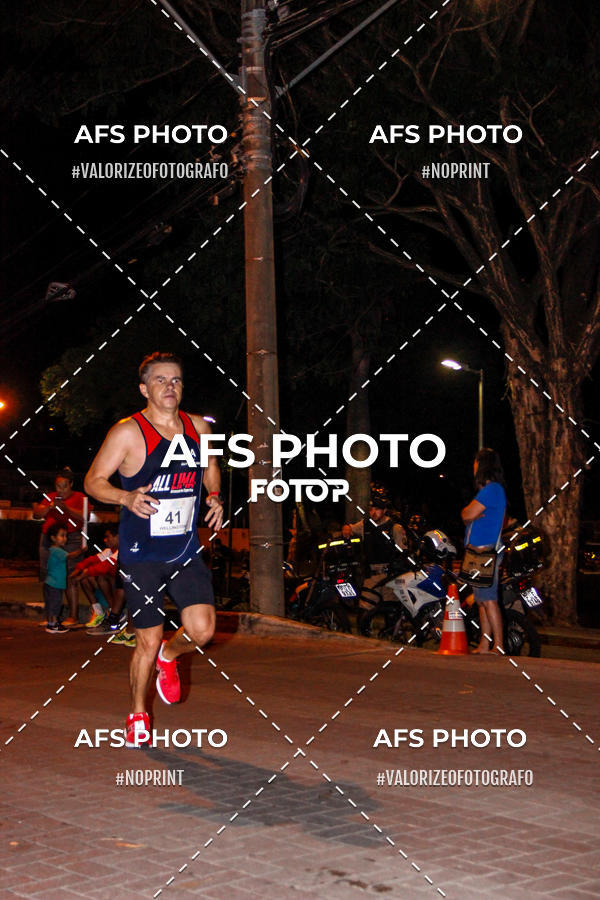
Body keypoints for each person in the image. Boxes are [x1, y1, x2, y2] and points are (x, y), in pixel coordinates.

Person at [84, 352, 223, 748]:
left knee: (202, 629)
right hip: (140, 552)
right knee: (147, 637)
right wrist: (125, 498)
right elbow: (94, 481)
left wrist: (213, 495)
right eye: (160, 380)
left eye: (176, 380)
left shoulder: (198, 428)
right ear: (145, 388)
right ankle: (138, 713)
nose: (170, 387)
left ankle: (170, 656)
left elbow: (210, 466)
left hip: (183, 548)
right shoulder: (128, 432)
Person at [461, 447, 507, 654]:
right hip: (478, 554)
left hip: (485, 553)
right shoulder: (490, 491)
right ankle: (485, 644)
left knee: (489, 600)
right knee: (481, 602)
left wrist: (470, 512)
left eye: (475, 462)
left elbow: (466, 514)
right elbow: (468, 514)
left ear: (482, 465)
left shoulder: (492, 490)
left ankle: (498, 644)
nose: (473, 466)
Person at [33, 467, 88, 626]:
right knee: (48, 577)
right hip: (49, 540)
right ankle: (51, 616)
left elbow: (85, 516)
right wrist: (50, 507)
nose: (61, 490)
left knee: (70, 576)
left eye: (64, 486)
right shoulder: (51, 497)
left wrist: (66, 508)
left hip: (70, 539)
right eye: (58, 486)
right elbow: (36, 514)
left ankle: (73, 616)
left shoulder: (79, 497)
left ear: (71, 484)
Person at [342, 484, 407, 607]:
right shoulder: (365, 525)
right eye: (371, 509)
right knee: (365, 608)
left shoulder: (395, 528)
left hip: (390, 576)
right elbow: (349, 528)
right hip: (372, 575)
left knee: (391, 610)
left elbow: (403, 552)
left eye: (377, 509)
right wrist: (346, 528)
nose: (373, 512)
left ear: (384, 510)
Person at [70, 527, 119, 627]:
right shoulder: (109, 551)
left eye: (107, 537)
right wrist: (77, 571)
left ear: (117, 537)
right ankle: (98, 612)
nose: (105, 540)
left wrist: (79, 577)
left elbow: (104, 567)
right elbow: (92, 560)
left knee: (100, 577)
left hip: (123, 585)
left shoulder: (121, 551)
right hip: (115, 583)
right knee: (86, 578)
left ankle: (114, 611)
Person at [43, 523, 83, 633]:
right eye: (62, 535)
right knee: (55, 603)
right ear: (53, 538)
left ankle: (52, 623)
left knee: (53, 603)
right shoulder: (56, 550)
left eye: (65, 536)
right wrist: (81, 551)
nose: (64, 539)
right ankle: (53, 624)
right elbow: (70, 556)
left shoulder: (54, 550)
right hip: (54, 583)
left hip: (55, 583)